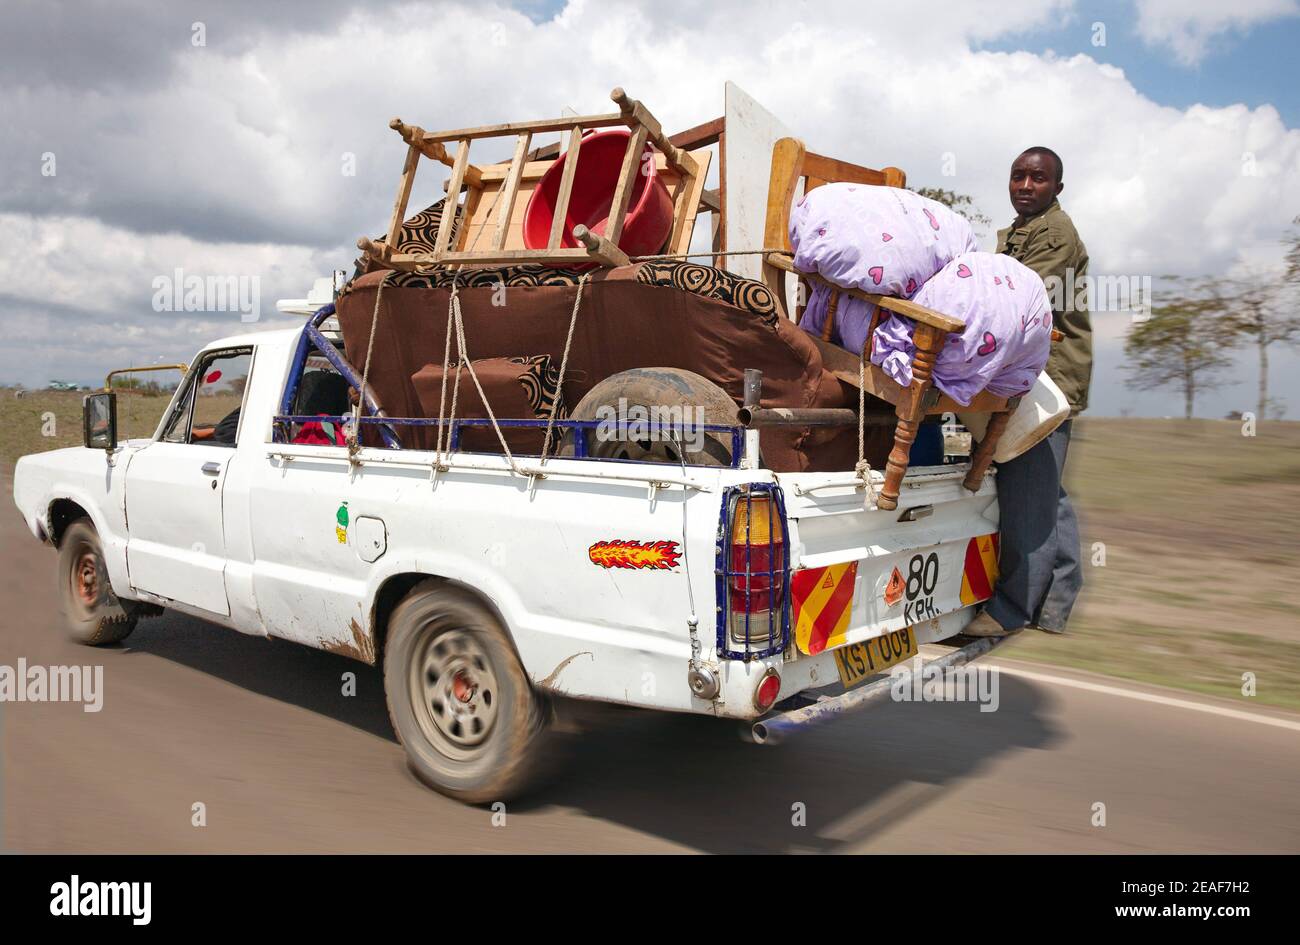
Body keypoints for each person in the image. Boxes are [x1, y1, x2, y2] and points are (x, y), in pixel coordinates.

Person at [965, 146, 1091, 637]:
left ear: (1057, 188)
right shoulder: (1019, 232)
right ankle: (1055, 602)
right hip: (1036, 373)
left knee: (1026, 493)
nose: (1025, 185)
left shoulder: (1055, 233)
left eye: (1038, 178)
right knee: (1047, 493)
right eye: (1018, 176)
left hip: (1047, 377)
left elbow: (1019, 297)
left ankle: (1011, 610)